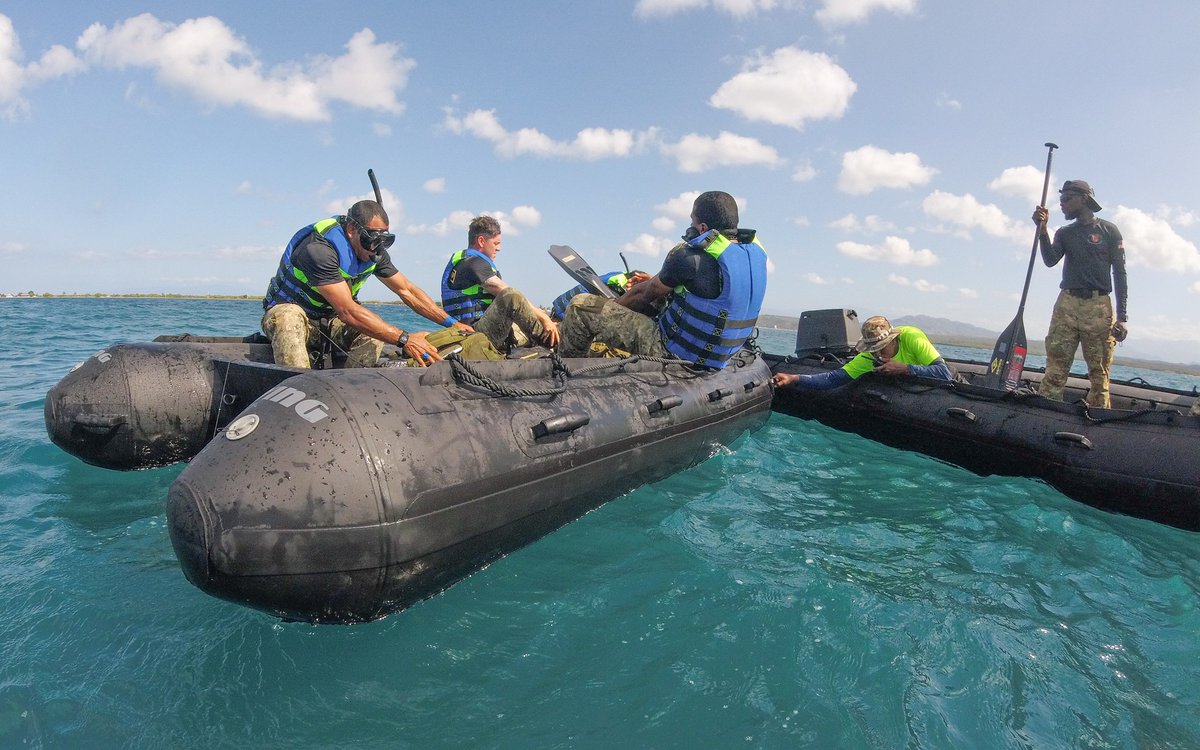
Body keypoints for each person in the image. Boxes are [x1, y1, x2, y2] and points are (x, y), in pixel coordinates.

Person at [557, 191, 767, 369]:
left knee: (581, 307)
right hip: (720, 357)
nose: (690, 224)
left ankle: (565, 369)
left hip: (673, 352)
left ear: (702, 227)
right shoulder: (754, 254)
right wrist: (656, 280)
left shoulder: (689, 256)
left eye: (692, 219)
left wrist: (612, 306)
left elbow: (643, 295)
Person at [261, 199, 469, 369]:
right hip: (293, 319)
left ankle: (348, 390)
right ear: (352, 229)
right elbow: (348, 311)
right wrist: (405, 339)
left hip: (328, 324)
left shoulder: (374, 252)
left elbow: (408, 290)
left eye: (385, 240)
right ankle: (300, 389)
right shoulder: (319, 249)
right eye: (372, 239)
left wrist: (452, 323)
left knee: (374, 333)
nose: (377, 248)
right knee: (288, 317)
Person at [1032, 180, 1129, 408]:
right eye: (1061, 200)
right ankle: (1046, 413)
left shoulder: (1109, 231)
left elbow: (1120, 273)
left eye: (1067, 199)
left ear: (1084, 198)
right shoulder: (1065, 233)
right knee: (1056, 367)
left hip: (1098, 307)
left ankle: (1098, 418)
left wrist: (1122, 317)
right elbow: (1050, 260)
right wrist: (1043, 231)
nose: (1062, 205)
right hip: (1067, 304)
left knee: (1099, 373)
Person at [441, 215, 559, 352]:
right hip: (474, 336)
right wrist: (544, 318)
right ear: (481, 241)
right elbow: (509, 295)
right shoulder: (473, 264)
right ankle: (552, 343)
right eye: (496, 243)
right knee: (511, 296)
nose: (499, 248)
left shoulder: (466, 261)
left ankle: (551, 334)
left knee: (540, 318)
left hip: (475, 331)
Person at [771, 316, 952, 390]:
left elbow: (945, 374)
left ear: (893, 340)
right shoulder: (869, 357)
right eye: (873, 349)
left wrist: (905, 369)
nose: (878, 354)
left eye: (882, 348)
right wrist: (794, 378)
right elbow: (833, 379)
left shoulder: (912, 337)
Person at [548, 270, 652, 321]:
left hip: (557, 309)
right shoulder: (616, 287)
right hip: (563, 317)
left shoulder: (615, 275)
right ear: (636, 278)